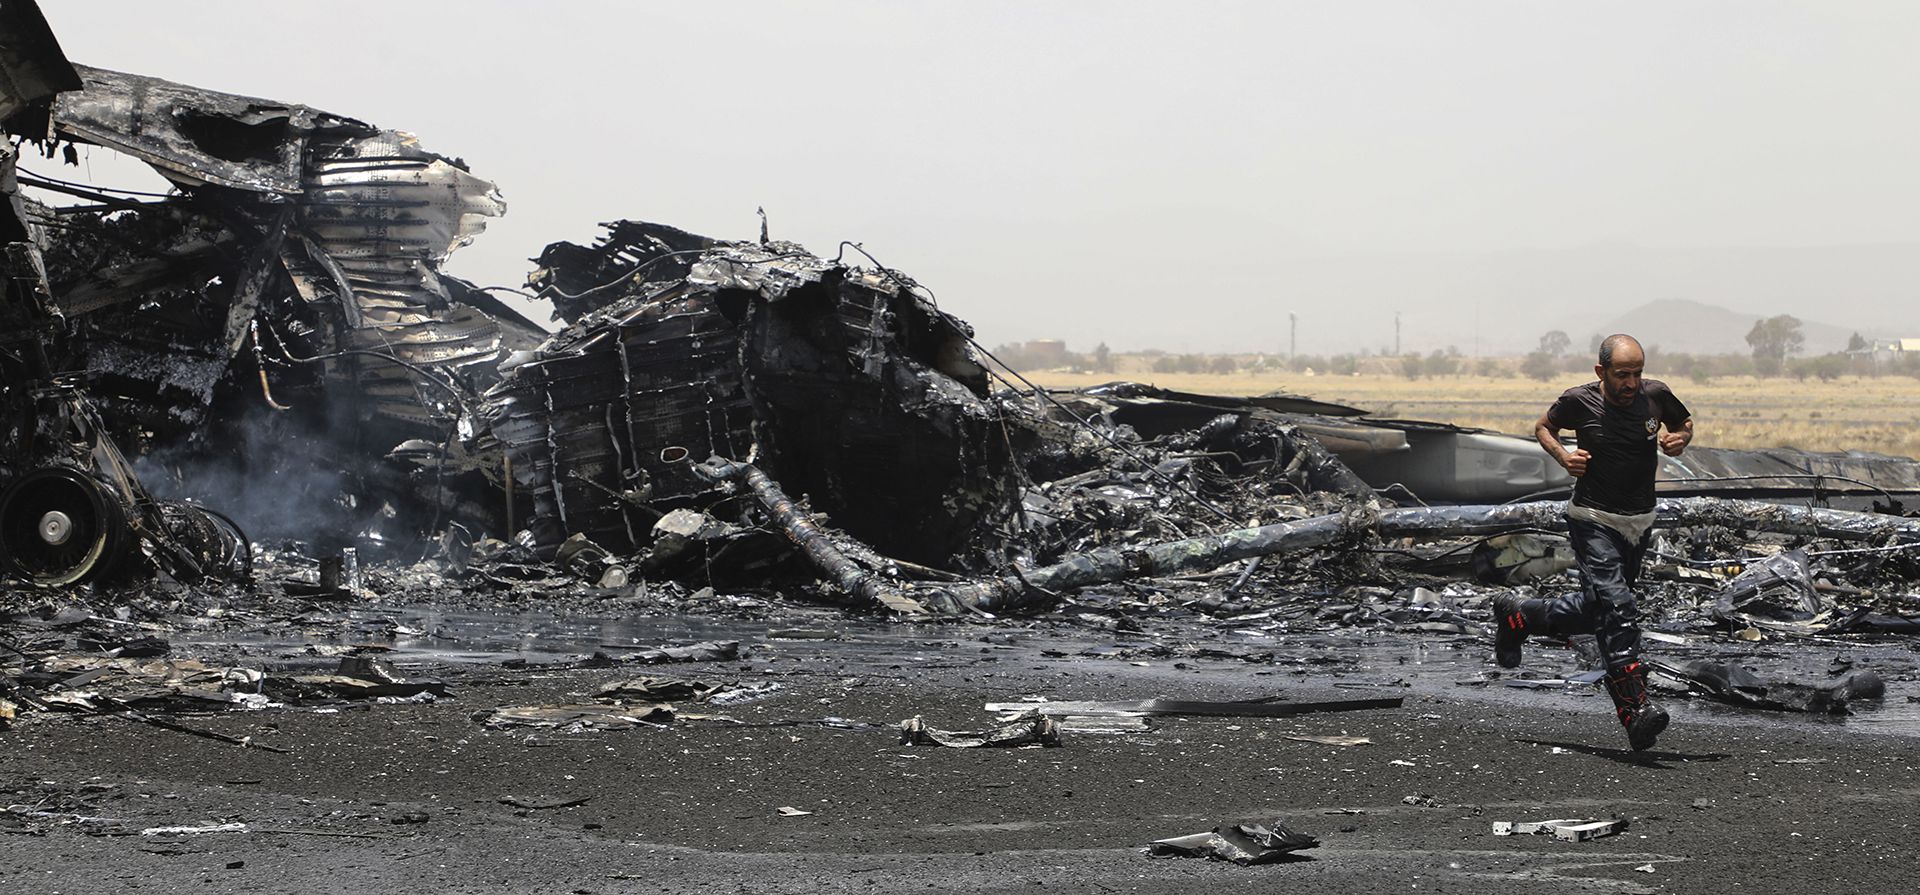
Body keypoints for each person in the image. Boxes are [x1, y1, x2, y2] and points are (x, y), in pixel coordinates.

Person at [1495, 334, 1693, 751]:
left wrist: (1680, 438)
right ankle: (1634, 710)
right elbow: (1542, 427)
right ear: (1601, 372)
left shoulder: (1656, 396)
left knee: (1597, 609)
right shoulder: (1578, 401)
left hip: (1639, 521)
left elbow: (1683, 423)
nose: (1631, 383)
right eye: (1623, 375)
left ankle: (1522, 617)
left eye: (1637, 373)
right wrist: (1563, 457)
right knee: (1618, 606)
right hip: (1592, 518)